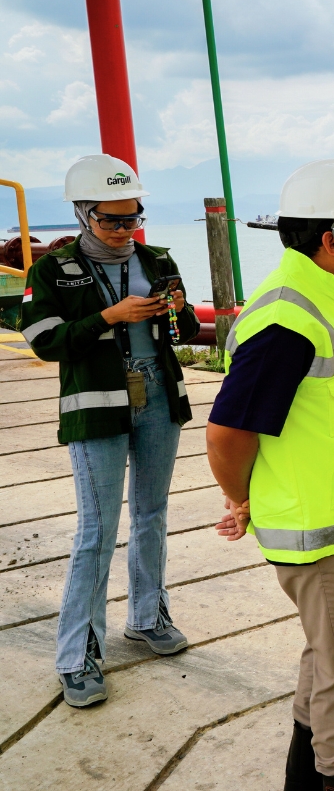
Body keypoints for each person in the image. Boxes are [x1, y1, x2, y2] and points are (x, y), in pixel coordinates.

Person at [205, 159, 334, 791]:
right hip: (324, 540)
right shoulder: (286, 319)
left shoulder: (332, 295)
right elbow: (227, 434)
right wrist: (240, 498)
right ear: (332, 240)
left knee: (327, 659)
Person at [19, 154, 199, 709]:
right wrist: (109, 318)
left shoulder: (158, 259)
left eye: (132, 219)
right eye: (111, 221)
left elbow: (187, 330)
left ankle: (147, 617)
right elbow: (42, 339)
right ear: (82, 214)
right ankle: (78, 656)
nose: (124, 231)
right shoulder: (52, 270)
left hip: (158, 399)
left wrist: (178, 311)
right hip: (96, 403)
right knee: (96, 529)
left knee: (152, 513)